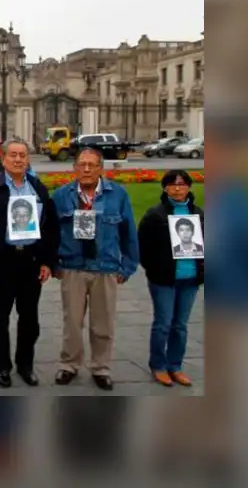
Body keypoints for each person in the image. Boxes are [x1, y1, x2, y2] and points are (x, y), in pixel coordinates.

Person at [50, 147, 139, 391]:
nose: (86, 169)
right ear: (74, 168)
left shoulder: (117, 195)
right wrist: (54, 263)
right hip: (72, 267)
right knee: (72, 323)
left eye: (92, 164)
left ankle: (100, 367)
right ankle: (69, 365)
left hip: (106, 267)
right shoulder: (61, 196)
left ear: (101, 168)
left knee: (103, 323)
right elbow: (51, 234)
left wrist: (128, 266)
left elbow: (129, 233)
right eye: (82, 164)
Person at [0, 139, 59, 388]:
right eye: (13, 155)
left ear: (28, 159)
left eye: (22, 155)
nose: (18, 159)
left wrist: (47, 261)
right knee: (1, 318)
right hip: (3, 261)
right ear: (3, 160)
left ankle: (25, 365)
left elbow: (50, 227)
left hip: (31, 260)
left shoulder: (37, 188)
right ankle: (1, 367)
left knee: (30, 319)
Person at [137, 169, 205, 387]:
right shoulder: (155, 215)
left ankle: (175, 365)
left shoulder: (199, 214)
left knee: (180, 325)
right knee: (163, 324)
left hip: (190, 278)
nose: (178, 188)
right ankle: (158, 365)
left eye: (182, 184)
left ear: (189, 187)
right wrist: (154, 269)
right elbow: (143, 247)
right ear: (165, 187)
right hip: (164, 279)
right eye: (173, 184)